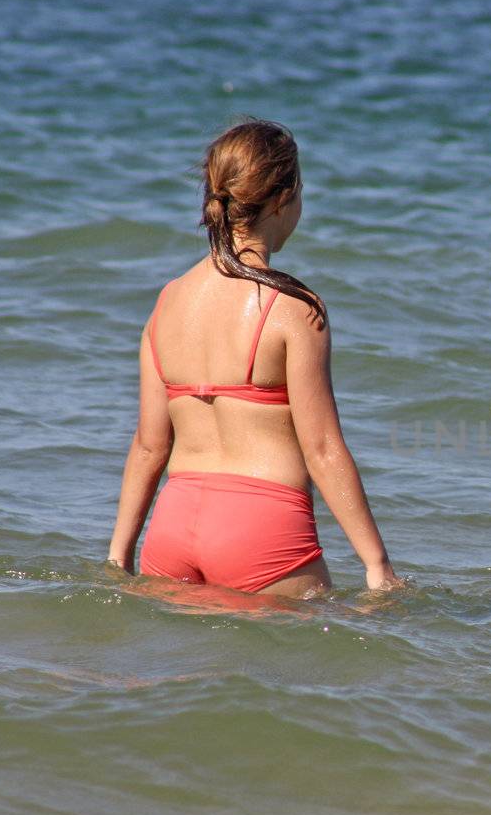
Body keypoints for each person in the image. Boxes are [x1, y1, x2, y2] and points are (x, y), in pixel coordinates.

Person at [107, 119, 399, 595]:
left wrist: (119, 554)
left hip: (172, 525)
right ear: (283, 199)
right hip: (261, 528)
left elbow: (149, 445)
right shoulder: (293, 307)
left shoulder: (168, 303)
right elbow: (322, 448)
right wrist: (377, 564)